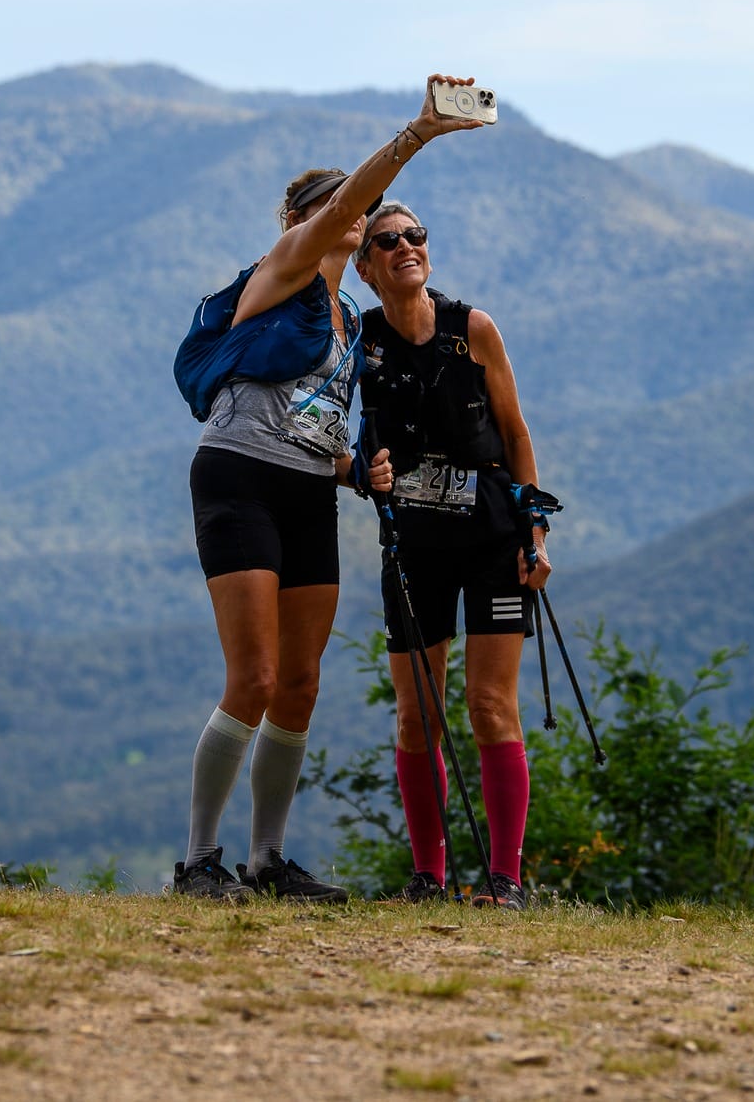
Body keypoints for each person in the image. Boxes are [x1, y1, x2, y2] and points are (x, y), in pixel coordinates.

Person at [175, 75, 487, 901]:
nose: (359, 213)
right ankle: (197, 862)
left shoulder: (348, 315)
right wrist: (416, 134)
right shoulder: (280, 271)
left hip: (310, 487)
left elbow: (317, 418)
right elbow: (347, 201)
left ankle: (266, 861)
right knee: (255, 678)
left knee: (302, 684)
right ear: (306, 221)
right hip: (239, 475)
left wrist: (360, 468)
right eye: (343, 205)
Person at [351, 199, 551, 910]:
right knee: (416, 714)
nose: (407, 245)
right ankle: (429, 878)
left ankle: (506, 880)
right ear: (366, 266)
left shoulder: (475, 330)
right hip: (413, 542)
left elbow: (516, 434)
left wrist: (535, 530)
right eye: (388, 241)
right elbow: (334, 431)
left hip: (493, 535)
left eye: (417, 235)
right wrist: (357, 470)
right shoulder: (358, 338)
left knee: (490, 702)